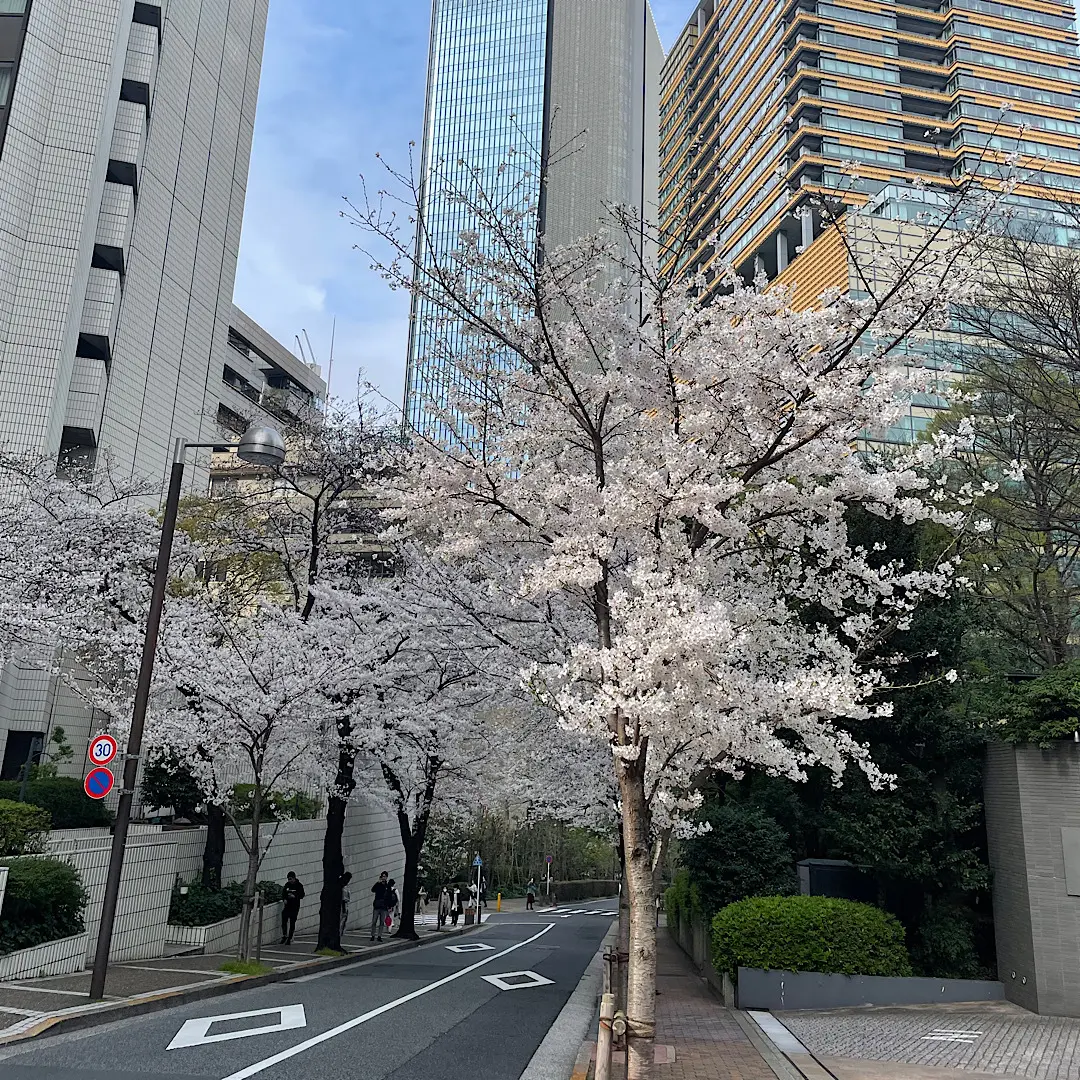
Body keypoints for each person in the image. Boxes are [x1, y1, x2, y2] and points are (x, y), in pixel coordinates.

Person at [280, 872, 305, 945]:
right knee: (284, 919)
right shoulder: (287, 885)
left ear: (294, 878)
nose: (289, 881)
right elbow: (283, 893)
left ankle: (289, 938)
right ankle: (284, 935)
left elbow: (302, 895)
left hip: (295, 906)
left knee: (292, 922)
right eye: (288, 879)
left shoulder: (299, 886)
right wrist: (284, 899)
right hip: (287, 906)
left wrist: (295, 896)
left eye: (290, 879)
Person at [370, 871, 391, 942]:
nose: (384, 878)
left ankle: (379, 935)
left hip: (384, 906)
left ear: (386, 877)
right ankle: (373, 935)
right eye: (383, 876)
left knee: (382, 922)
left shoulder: (387, 886)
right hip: (377, 905)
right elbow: (372, 890)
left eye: (385, 876)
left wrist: (389, 906)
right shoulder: (378, 884)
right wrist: (378, 883)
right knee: (374, 921)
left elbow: (388, 896)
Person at [339, 872, 353, 939]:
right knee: (341, 921)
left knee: (343, 921)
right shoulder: (343, 887)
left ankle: (340, 933)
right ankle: (339, 934)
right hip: (343, 905)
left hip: (345, 905)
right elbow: (343, 899)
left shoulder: (346, 887)